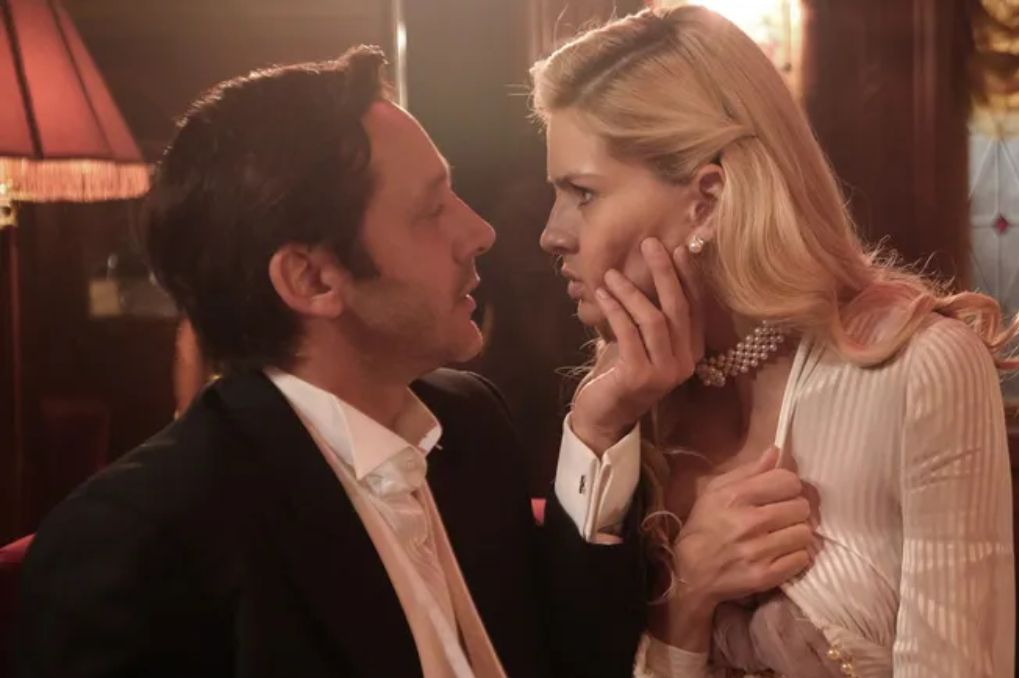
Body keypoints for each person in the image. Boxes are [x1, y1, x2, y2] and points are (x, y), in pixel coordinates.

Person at [17, 45, 702, 678]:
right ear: (312, 280)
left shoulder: (468, 421)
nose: (479, 231)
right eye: (430, 210)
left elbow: (570, 657)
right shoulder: (138, 539)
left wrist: (598, 430)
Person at [532, 6, 1019, 677]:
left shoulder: (916, 369)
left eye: (582, 193)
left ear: (707, 199)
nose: (551, 234)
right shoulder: (620, 405)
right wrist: (684, 598)